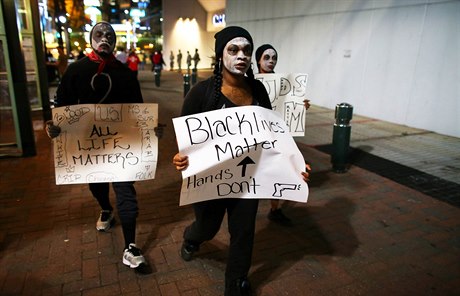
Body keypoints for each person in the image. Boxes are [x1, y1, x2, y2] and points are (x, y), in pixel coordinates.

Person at [172, 26, 310, 296]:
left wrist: (295, 167)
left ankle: (236, 283)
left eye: (246, 50)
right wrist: (179, 158)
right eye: (233, 50)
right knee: (208, 227)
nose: (242, 56)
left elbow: (272, 135)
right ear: (220, 55)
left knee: (244, 232)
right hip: (211, 180)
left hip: (248, 178)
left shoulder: (257, 89)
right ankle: (192, 238)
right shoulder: (201, 93)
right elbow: (185, 139)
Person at [45, 22, 160, 273]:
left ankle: (130, 246)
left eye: (109, 35)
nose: (104, 38)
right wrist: (53, 126)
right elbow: (62, 105)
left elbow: (137, 109)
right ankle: (106, 209)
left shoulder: (125, 74)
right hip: (90, 148)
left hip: (121, 147)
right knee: (97, 187)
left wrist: (151, 128)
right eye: (99, 34)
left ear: (114, 41)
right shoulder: (76, 71)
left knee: (126, 193)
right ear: (91, 39)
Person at [255, 44, 311, 226]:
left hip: (277, 135)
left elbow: (288, 106)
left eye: (274, 58)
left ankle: (274, 209)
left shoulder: (283, 83)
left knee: (277, 170)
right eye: (266, 57)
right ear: (258, 60)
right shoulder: (250, 81)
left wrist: (301, 107)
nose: (271, 61)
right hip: (257, 134)